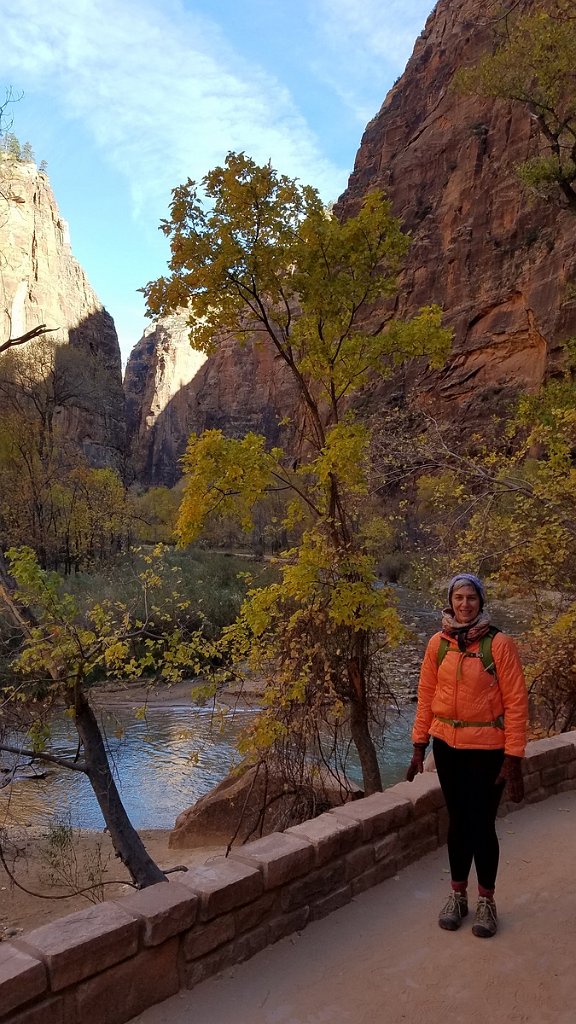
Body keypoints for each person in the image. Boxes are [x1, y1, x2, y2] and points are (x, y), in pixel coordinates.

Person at [406, 572, 528, 938]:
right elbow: (426, 696)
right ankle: (457, 895)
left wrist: (514, 759)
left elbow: (517, 703)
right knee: (458, 823)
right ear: (450, 601)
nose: (464, 604)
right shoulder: (438, 645)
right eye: (458, 597)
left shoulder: (499, 644)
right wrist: (418, 746)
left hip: (487, 749)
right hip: (447, 746)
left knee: (481, 824)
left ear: (480, 602)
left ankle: (486, 901)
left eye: (471, 598)